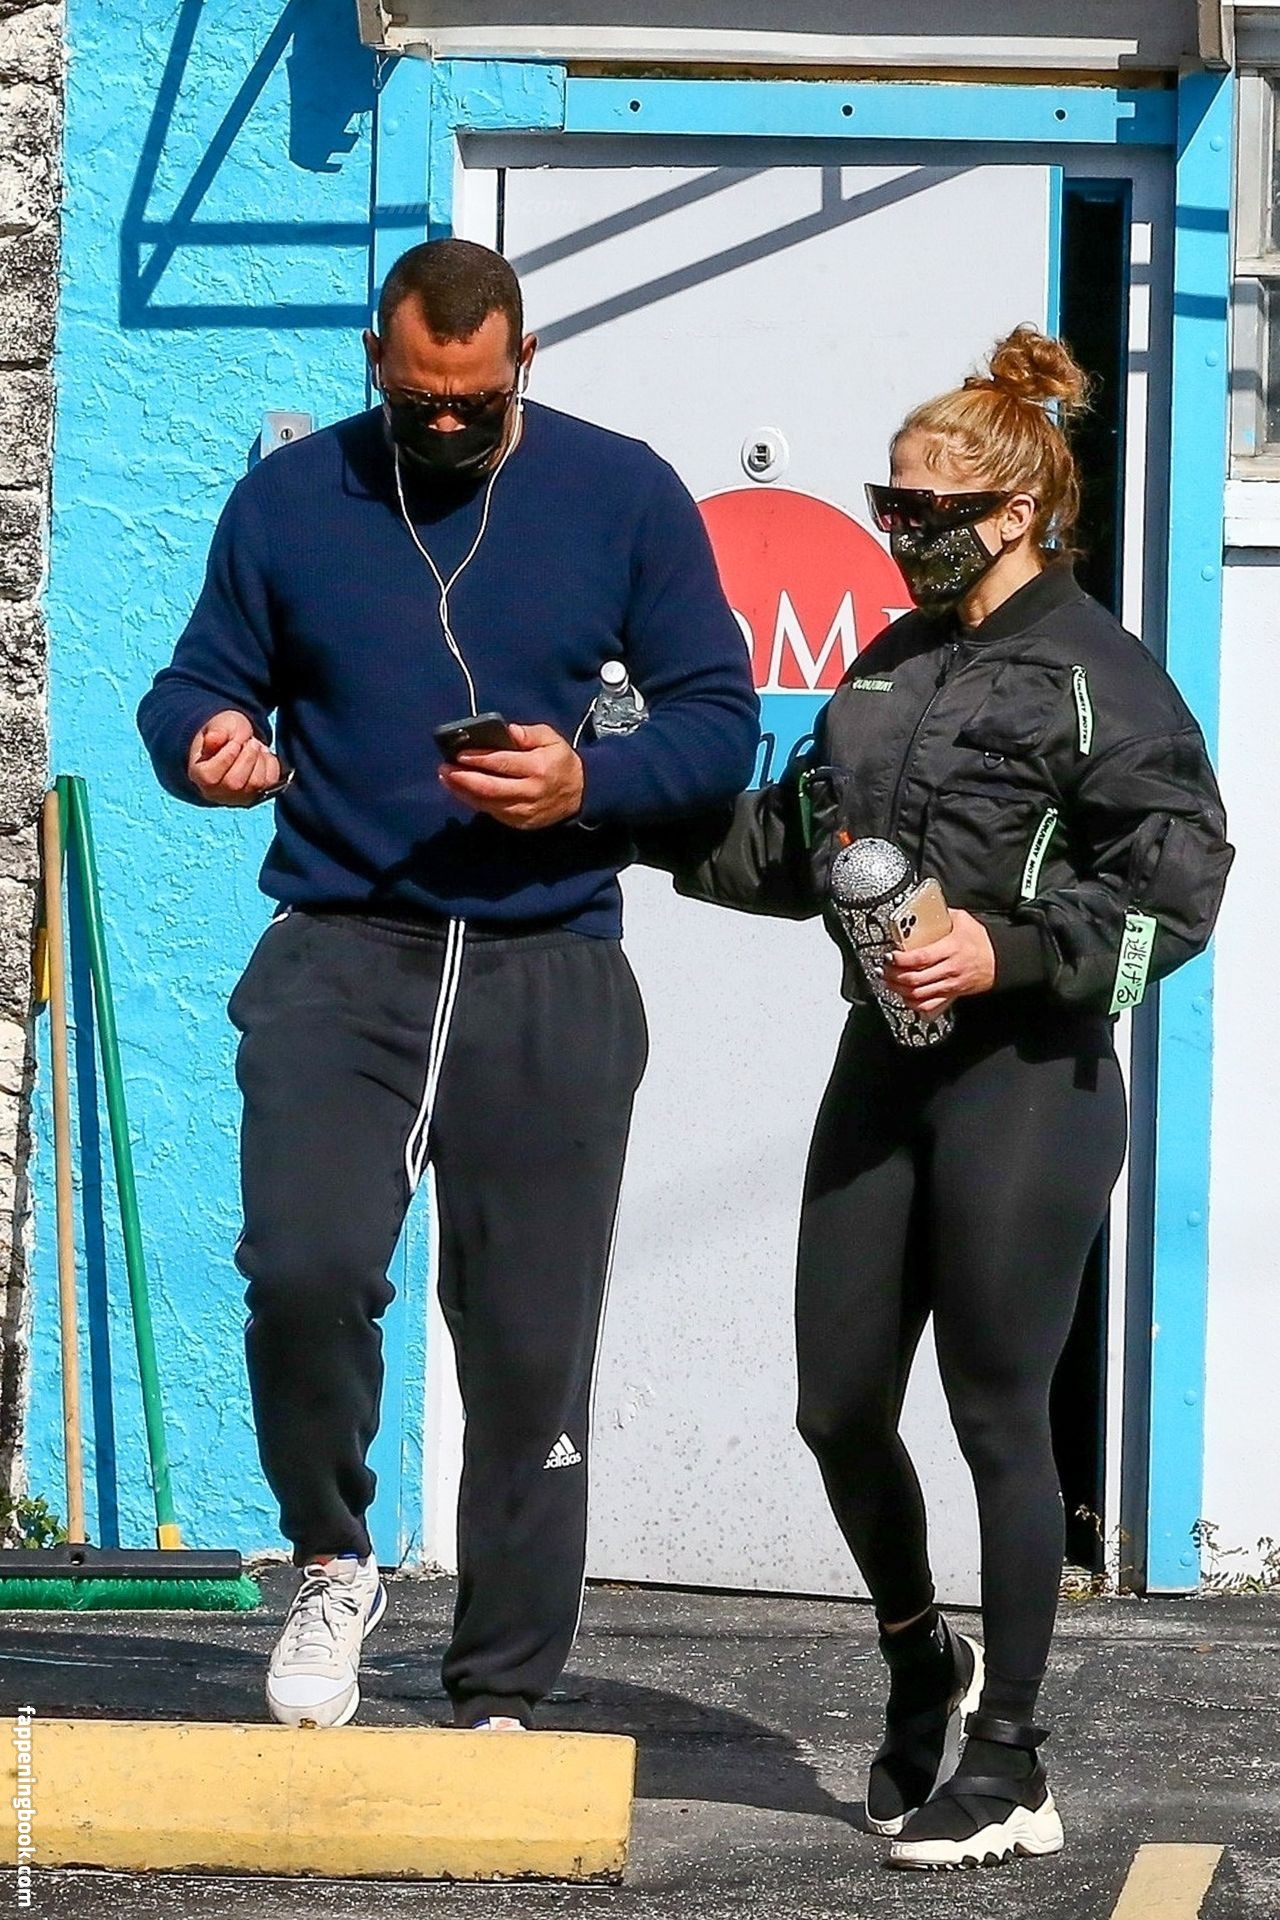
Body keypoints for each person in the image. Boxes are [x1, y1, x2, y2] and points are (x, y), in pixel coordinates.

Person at [137, 239, 759, 1733]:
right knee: (304, 1272)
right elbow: (194, 681)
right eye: (418, 398)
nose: (444, 424)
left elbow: (716, 720)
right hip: (341, 949)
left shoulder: (621, 491)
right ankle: (331, 1559)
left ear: (521, 364)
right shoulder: (293, 499)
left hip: (549, 960)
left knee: (531, 1337)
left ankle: (502, 1683)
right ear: (378, 359)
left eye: (473, 403)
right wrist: (203, 745)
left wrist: (586, 783)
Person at [657, 327, 1232, 1869]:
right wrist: (616, 814)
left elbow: (1183, 886)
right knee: (837, 1404)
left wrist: (1008, 948)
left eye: (925, 509)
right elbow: (794, 851)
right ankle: (924, 1658)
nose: (900, 528)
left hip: (1029, 1080)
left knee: (995, 1415)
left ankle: (1015, 1760)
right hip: (885, 1062)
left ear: (1015, 512)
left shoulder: (1099, 673)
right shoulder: (890, 662)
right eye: (888, 502)